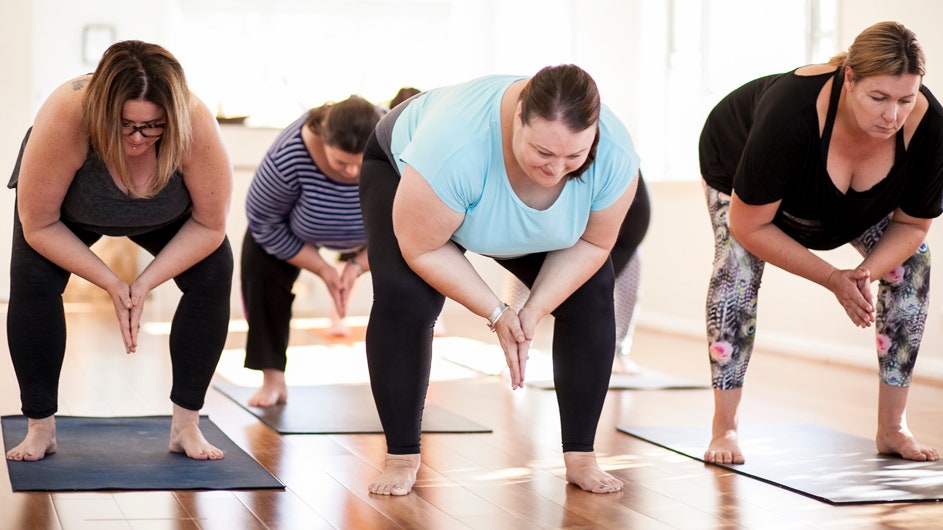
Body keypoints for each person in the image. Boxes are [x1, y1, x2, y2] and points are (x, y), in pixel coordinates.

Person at [359, 64, 641, 495]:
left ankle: (581, 454)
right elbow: (423, 248)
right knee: (407, 299)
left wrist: (533, 309)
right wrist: (496, 312)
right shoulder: (455, 145)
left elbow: (592, 245)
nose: (557, 170)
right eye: (544, 153)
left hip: (480, 202)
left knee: (591, 292)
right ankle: (401, 456)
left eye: (574, 157)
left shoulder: (617, 155)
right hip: (405, 172)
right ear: (518, 115)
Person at [699, 21, 943, 465]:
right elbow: (750, 226)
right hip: (745, 183)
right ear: (849, 79)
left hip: (845, 204)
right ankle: (725, 427)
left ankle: (893, 427)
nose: (893, 116)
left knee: (913, 265)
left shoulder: (929, 128)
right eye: (879, 98)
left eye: (905, 100)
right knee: (737, 268)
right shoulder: (790, 112)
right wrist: (832, 278)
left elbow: (913, 226)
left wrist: (864, 272)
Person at [5, 40, 233, 461]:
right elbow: (38, 224)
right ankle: (40, 428)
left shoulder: (196, 123)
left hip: (167, 217)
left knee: (214, 273)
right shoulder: (65, 115)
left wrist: (145, 282)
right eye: (126, 124)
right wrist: (111, 281)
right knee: (33, 281)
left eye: (153, 126)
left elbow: (210, 225)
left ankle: (186, 426)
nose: (138, 138)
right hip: (67, 217)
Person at [241, 95, 383, 407]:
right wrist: (322, 268)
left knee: (409, 279)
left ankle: (399, 382)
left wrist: (358, 265)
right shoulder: (290, 154)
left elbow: (411, 224)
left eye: (360, 163)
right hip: (295, 231)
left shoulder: (395, 145)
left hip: (376, 233)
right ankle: (273, 379)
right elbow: (264, 222)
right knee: (261, 267)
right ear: (323, 141)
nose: (351, 173)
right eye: (341, 162)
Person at [502, 172, 650, 374]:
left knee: (628, 263)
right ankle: (516, 346)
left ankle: (619, 351)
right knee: (523, 259)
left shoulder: (620, 180)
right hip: (553, 227)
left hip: (620, 231)